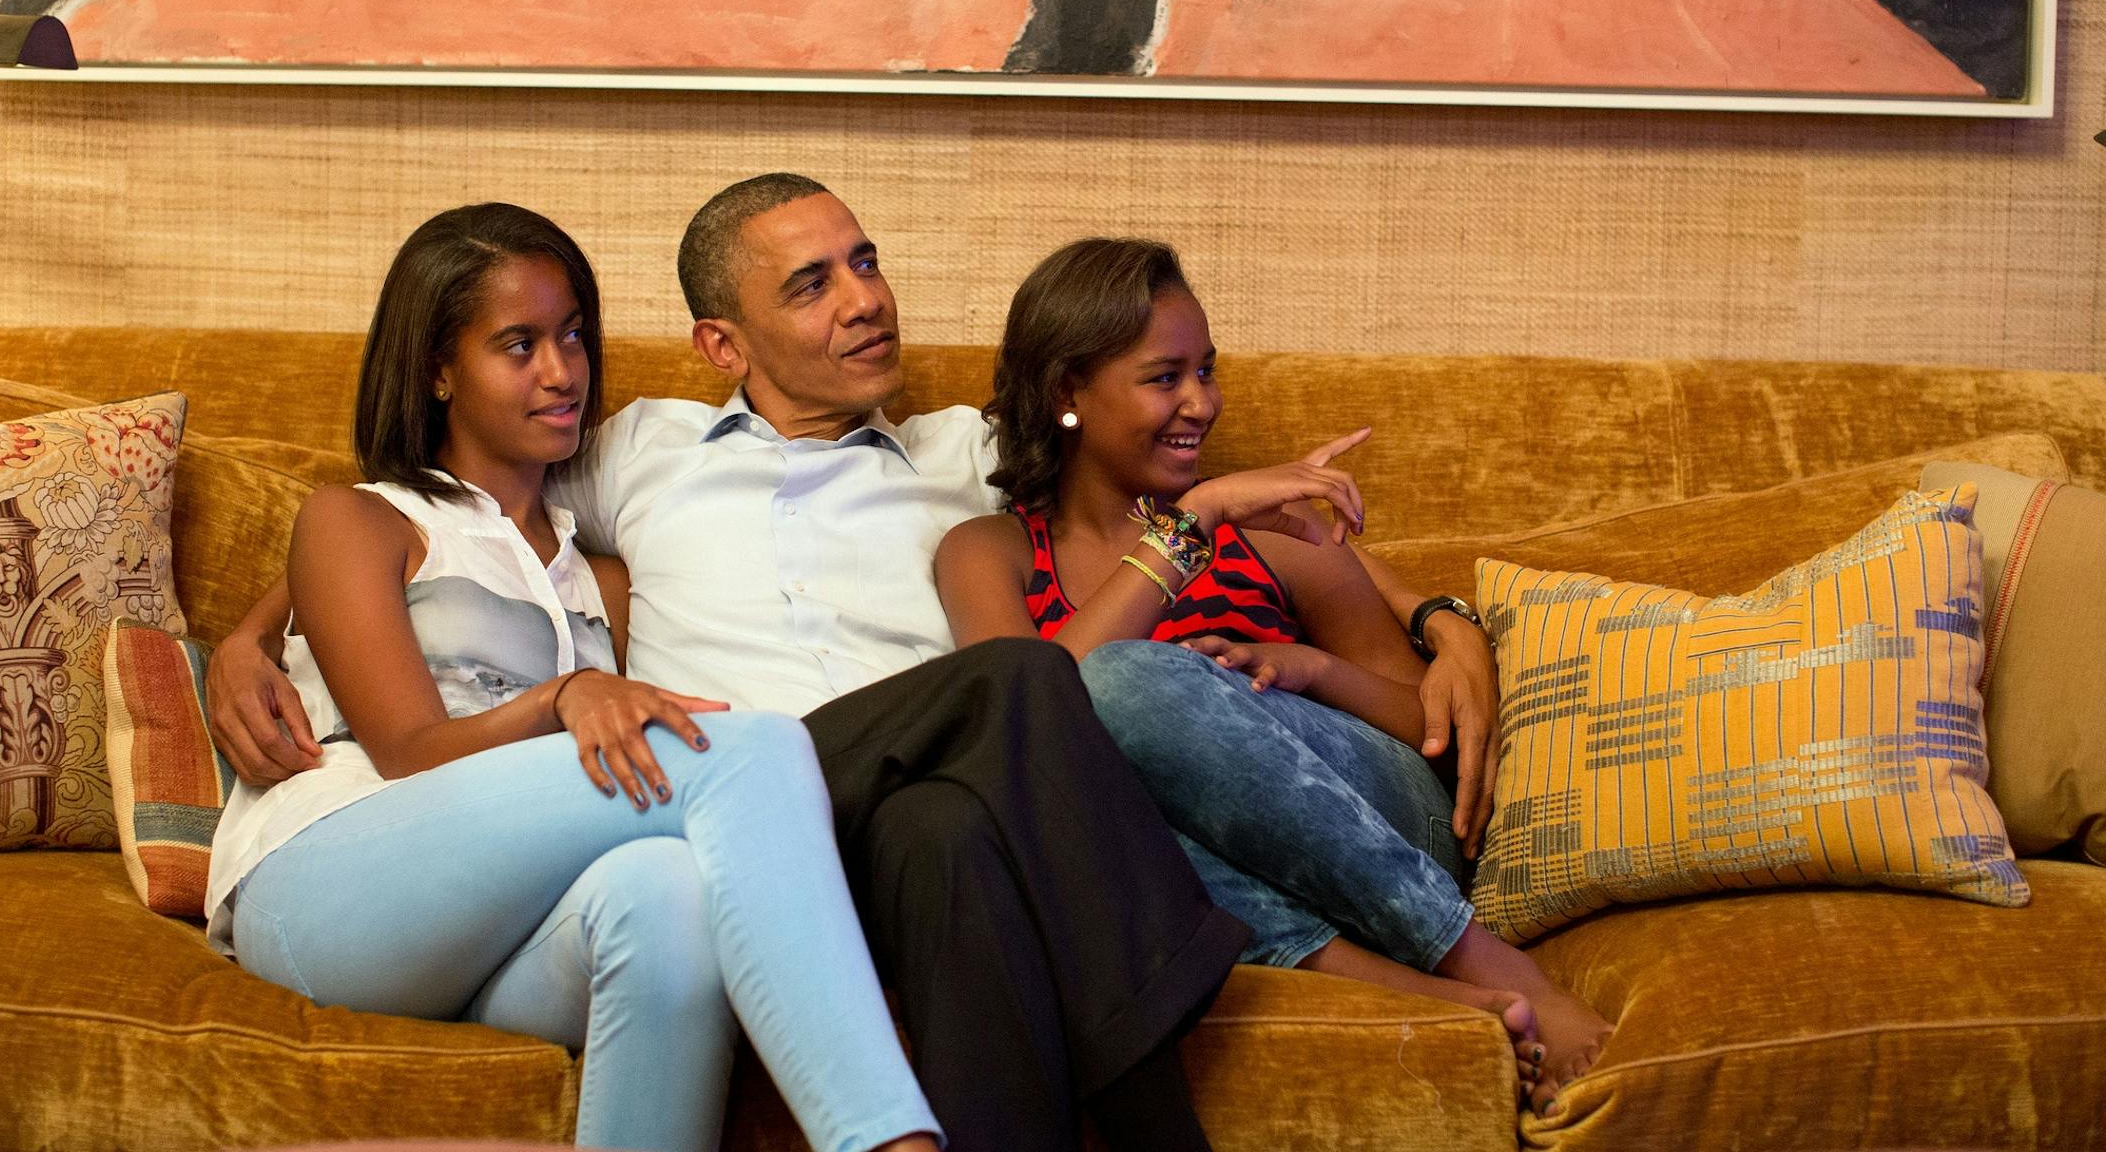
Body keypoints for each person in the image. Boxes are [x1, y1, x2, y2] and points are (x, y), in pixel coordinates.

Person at [206, 177, 1252, 1152]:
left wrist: (1422, 611)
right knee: (977, 690)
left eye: (866, 262)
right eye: (812, 283)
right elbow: (391, 524)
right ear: (722, 343)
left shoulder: (960, 456)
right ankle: (902, 1128)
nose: (864, 300)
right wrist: (246, 640)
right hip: (717, 793)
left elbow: (1135, 452)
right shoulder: (636, 452)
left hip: (861, 827)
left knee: (938, 834)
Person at [204, 203, 941, 1152]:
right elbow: (411, 754)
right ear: (438, 369)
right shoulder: (363, 519)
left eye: (572, 336)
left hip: (493, 922)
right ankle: (887, 1141)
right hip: (328, 882)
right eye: (517, 346)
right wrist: (558, 696)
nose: (562, 372)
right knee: (745, 750)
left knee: (669, 891)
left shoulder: (599, 575)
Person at [934, 237, 1613, 1112]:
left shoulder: (1275, 531)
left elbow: (1424, 732)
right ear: (1068, 392)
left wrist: (1314, 669)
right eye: (1163, 376)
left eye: (1206, 371)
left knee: (1132, 683)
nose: (1200, 403)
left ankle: (1481, 955)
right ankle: (1421, 996)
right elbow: (1027, 728)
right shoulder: (987, 553)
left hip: (1379, 828)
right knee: (1062, 797)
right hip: (1180, 866)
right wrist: (1190, 524)